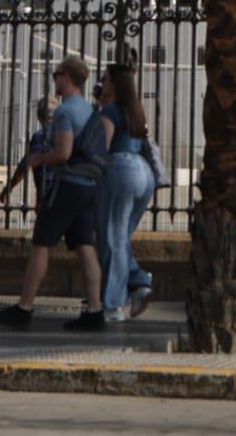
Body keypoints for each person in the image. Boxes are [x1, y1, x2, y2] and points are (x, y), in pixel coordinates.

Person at [0, 54, 105, 331]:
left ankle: (24, 307)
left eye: (56, 75)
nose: (54, 79)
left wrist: (37, 159)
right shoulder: (89, 110)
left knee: (41, 243)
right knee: (85, 247)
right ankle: (95, 310)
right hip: (89, 187)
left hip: (68, 186)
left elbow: (63, 152)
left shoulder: (65, 111)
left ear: (67, 78)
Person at [95, 63, 156, 320]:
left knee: (111, 238)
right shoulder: (136, 111)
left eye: (106, 78)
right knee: (121, 237)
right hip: (143, 173)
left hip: (119, 170)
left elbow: (102, 145)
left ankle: (113, 304)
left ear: (115, 84)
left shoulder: (110, 110)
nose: (102, 82)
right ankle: (138, 280)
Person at [0, 95, 60, 216]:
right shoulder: (67, 135)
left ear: (39, 116)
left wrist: (8, 188)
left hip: (47, 195)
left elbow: (25, 166)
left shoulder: (40, 136)